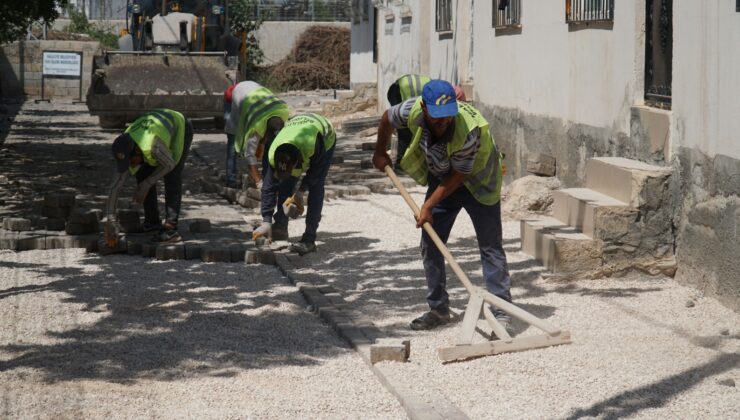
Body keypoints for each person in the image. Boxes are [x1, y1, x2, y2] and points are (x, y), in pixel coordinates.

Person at [372, 80, 513, 335]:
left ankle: (502, 312)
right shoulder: (411, 109)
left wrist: (427, 205)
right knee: (431, 241)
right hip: (445, 174)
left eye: (448, 117)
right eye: (437, 118)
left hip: (479, 179)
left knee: (490, 246)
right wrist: (380, 150)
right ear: (424, 108)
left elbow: (459, 176)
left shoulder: (470, 129)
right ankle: (438, 308)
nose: (443, 123)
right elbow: (386, 118)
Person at [106, 108, 193, 243]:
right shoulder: (125, 144)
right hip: (153, 132)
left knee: (172, 176)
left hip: (179, 126)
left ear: (136, 150)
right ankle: (152, 223)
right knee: (142, 173)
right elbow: (115, 186)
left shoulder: (153, 146)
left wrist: (147, 184)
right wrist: (110, 219)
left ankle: (171, 229)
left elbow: (169, 165)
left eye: (131, 161)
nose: (130, 165)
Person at [252, 114, 336, 255]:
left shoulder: (313, 143)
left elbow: (316, 173)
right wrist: (266, 220)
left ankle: (309, 240)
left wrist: (300, 192)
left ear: (299, 162)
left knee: (316, 187)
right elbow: (268, 186)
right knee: (285, 184)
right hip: (295, 136)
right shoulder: (273, 151)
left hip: (324, 137)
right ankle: (280, 228)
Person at [226, 81, 289, 190]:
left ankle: (267, 176)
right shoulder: (256, 127)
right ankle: (230, 178)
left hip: (257, 93)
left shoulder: (282, 115)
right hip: (240, 95)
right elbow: (249, 154)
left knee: (269, 146)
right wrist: (258, 180)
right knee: (233, 137)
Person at [386, 74, 430, 167]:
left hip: (400, 87)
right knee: (402, 127)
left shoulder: (437, 91)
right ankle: (401, 162)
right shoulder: (437, 94)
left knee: (410, 126)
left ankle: (406, 159)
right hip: (397, 90)